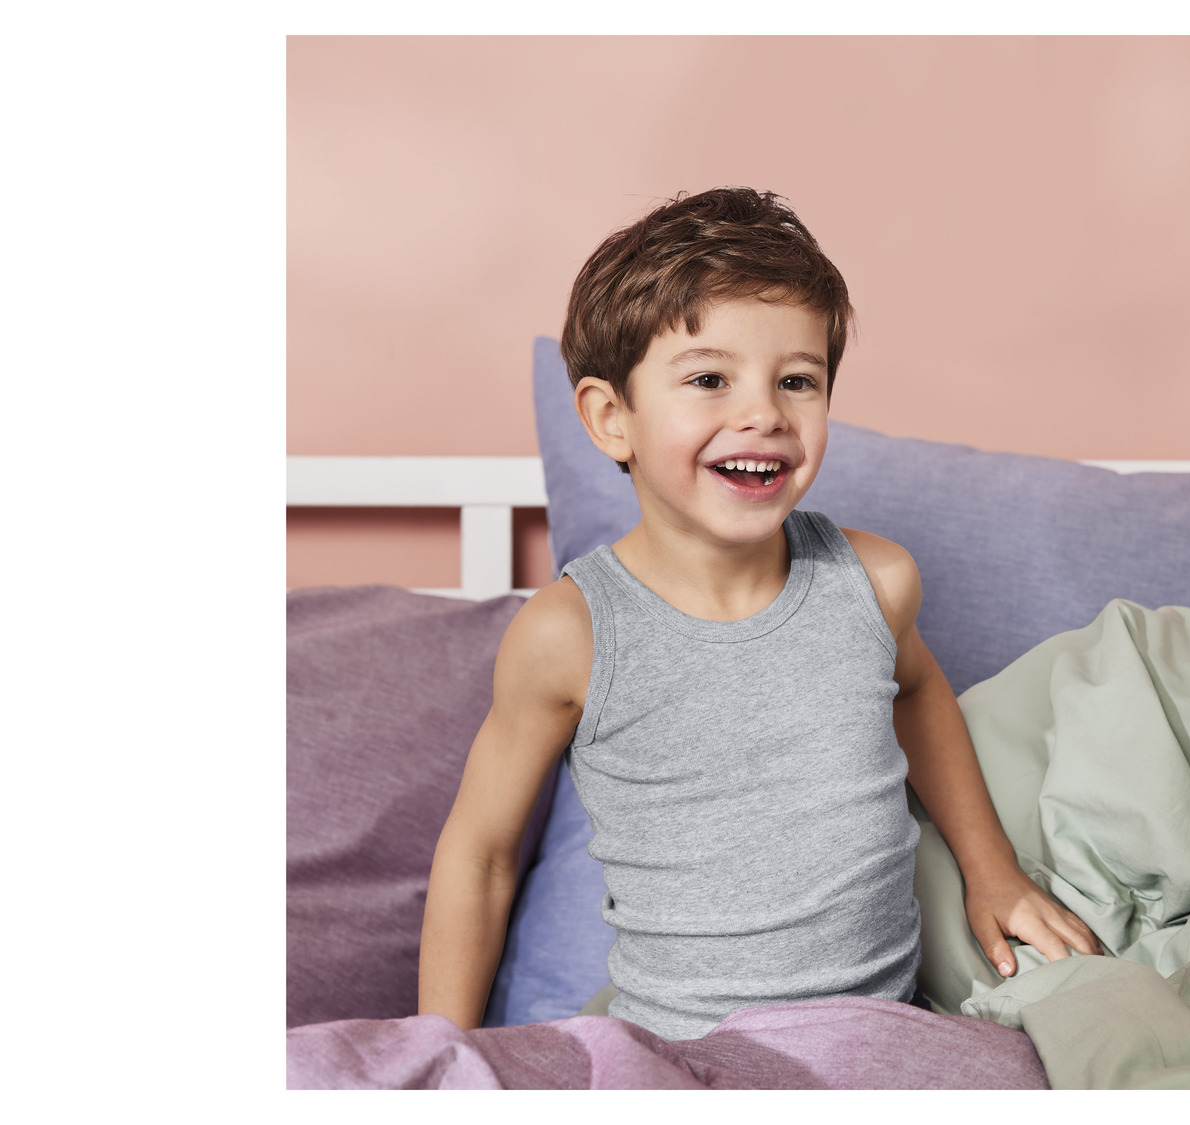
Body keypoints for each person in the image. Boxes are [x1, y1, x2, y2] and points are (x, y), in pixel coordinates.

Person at [418, 187, 1101, 1040]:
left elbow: (919, 691)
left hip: (879, 1038)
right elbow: (480, 855)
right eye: (710, 379)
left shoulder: (874, 582)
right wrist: (440, 1052)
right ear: (611, 417)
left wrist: (991, 870)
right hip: (680, 1050)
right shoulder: (572, 634)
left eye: (797, 381)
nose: (765, 414)